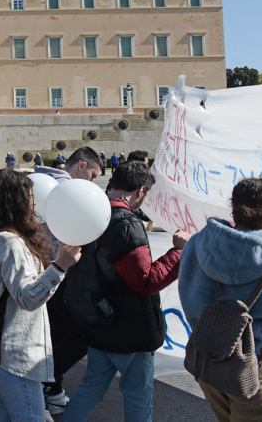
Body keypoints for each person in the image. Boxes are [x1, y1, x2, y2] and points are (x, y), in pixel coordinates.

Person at [63, 162, 190, 421]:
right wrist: (178, 252)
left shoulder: (92, 212)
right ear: (141, 190)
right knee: (137, 396)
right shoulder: (126, 224)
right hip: (129, 328)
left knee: (89, 388)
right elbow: (145, 281)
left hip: (97, 319)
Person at [0, 169, 81, 421]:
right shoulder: (10, 242)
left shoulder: (1, 237)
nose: (35, 202)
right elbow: (28, 297)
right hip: (11, 354)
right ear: (15, 200)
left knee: (8, 416)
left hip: (3, 351)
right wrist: (59, 266)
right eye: (30, 196)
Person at [179, 178, 262, 420]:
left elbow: (188, 297)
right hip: (260, 369)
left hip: (209, 361)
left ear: (233, 206)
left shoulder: (199, 242)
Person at [33, 147, 102, 413]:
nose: (93, 184)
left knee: (53, 336)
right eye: (93, 176)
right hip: (57, 272)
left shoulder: (41, 181)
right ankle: (45, 382)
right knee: (75, 336)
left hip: (45, 271)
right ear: (82, 166)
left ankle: (52, 387)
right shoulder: (68, 191)